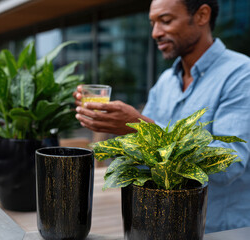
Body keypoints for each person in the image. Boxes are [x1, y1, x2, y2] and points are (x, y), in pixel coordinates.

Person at [74, 0, 250, 233]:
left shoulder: (241, 75)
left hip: (217, 230)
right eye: (153, 23)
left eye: (166, 21)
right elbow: (142, 155)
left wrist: (140, 126)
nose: (155, 33)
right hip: (157, 226)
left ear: (202, 15)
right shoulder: (166, 81)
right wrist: (113, 125)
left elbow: (231, 164)